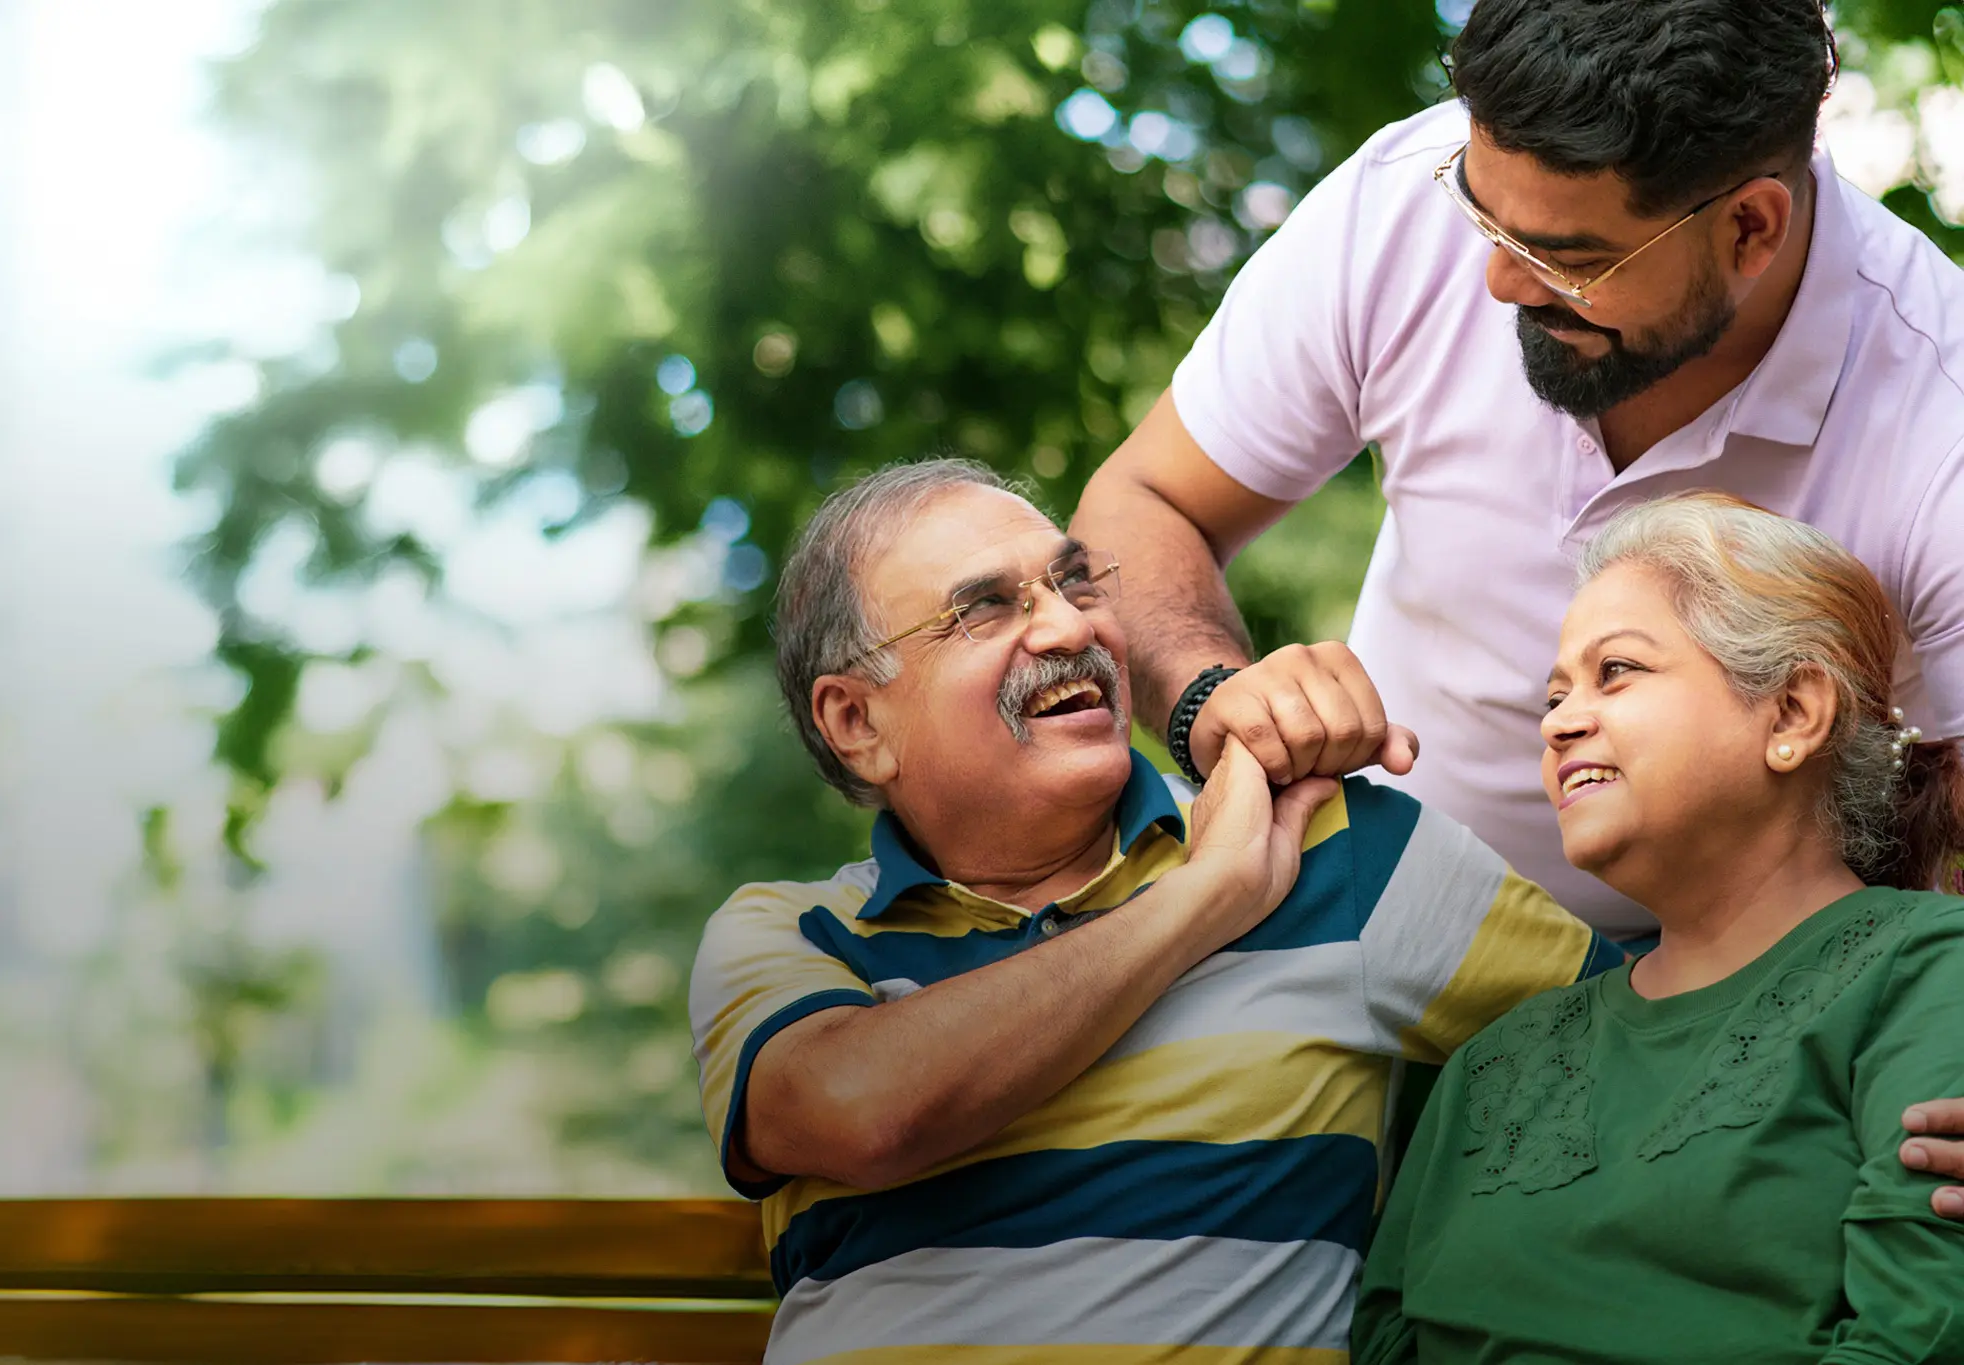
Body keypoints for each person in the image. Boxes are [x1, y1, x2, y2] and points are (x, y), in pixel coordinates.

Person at [686, 461, 1964, 1364]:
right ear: (855, 723)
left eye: (1074, 586)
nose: (1069, 627)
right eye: (988, 607)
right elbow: (855, 1111)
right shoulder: (790, 934)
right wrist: (1204, 907)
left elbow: (1699, 1007)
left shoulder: (1340, 850)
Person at [1070, 0, 1964, 944]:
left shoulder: (1937, 413)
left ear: (1750, 228)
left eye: (1569, 257)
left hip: (1745, 999)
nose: (1499, 280)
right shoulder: (1396, 204)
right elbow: (1142, 501)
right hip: (1355, 918)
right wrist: (1212, 692)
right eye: (1480, 210)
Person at [1353, 494, 1964, 1362]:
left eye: (1618, 672)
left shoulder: (1927, 973)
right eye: (1554, 695)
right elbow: (1383, 1340)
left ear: (1792, 713)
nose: (1559, 720)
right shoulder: (1498, 1055)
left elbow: (1917, 1337)